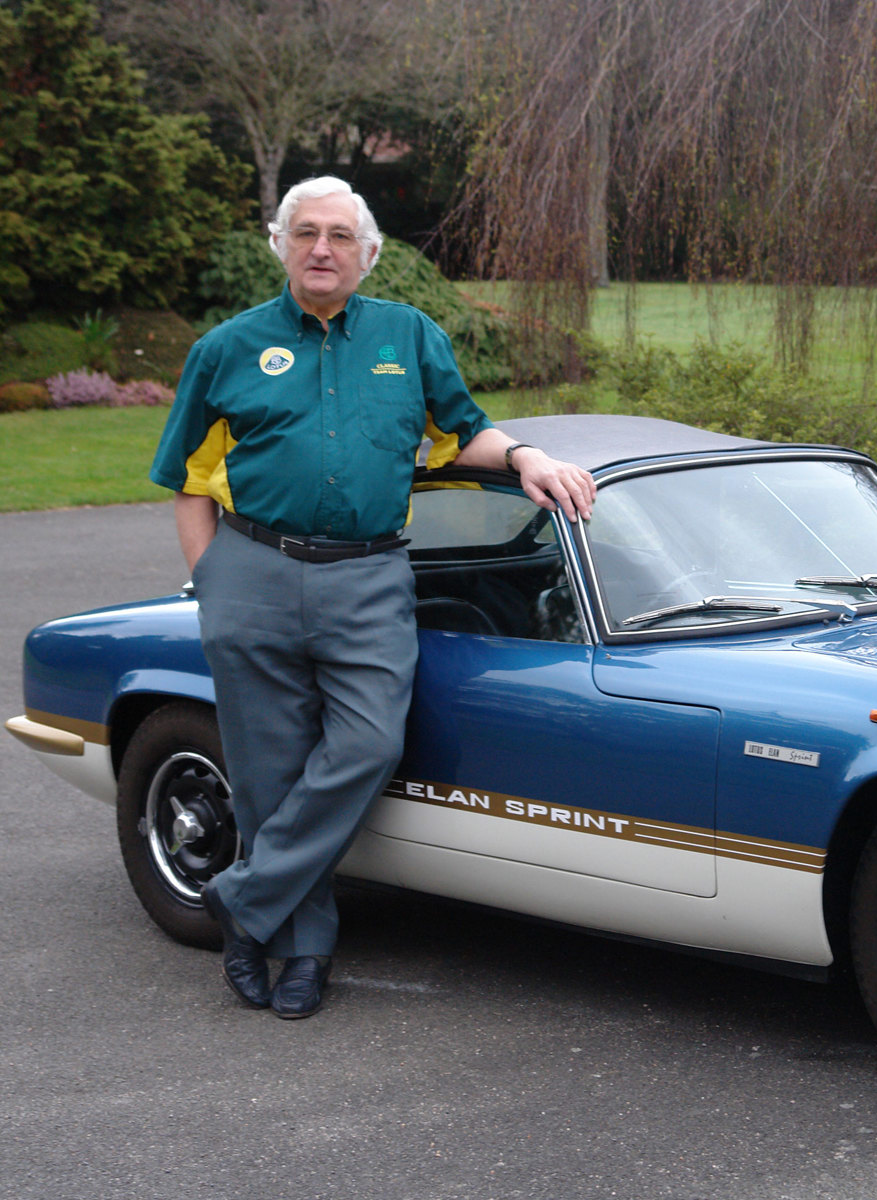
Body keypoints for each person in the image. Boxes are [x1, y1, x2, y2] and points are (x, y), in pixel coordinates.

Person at [150, 176, 595, 1018]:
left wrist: (528, 457)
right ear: (279, 243)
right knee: (266, 773)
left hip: (368, 577)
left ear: (368, 253)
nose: (323, 249)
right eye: (306, 233)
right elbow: (187, 483)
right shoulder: (226, 348)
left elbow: (464, 432)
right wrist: (213, 583)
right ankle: (305, 952)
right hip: (253, 572)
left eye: (340, 236)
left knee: (367, 747)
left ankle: (243, 901)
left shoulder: (409, 336)